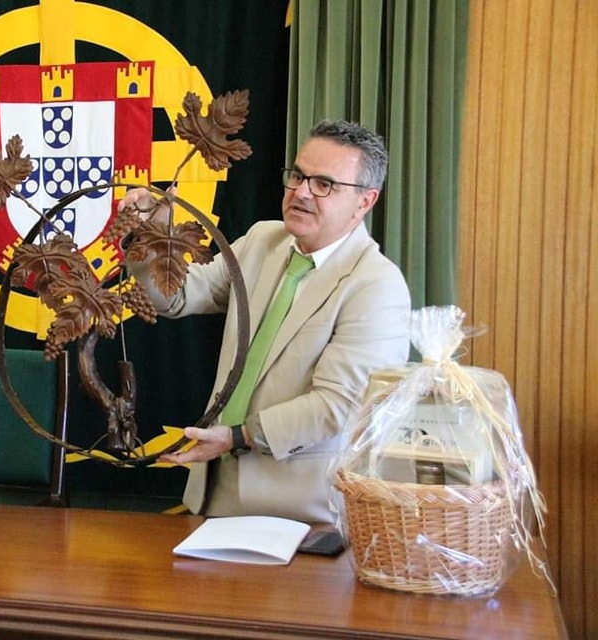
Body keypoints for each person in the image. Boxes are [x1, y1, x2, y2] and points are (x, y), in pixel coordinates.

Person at [120, 120, 411, 523]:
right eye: (298, 176)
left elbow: (339, 406)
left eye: (324, 184)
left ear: (365, 201)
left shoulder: (377, 285)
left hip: (303, 513)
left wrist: (238, 436)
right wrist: (152, 236)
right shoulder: (262, 241)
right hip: (214, 495)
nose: (301, 192)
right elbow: (176, 297)